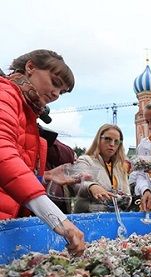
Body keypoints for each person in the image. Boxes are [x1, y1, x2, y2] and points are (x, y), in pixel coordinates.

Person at [0, 49, 85, 256]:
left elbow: (10, 176)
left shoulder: (27, 110)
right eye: (55, 83)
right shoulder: (5, 94)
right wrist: (58, 219)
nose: (56, 94)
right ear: (30, 67)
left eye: (61, 92)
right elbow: (3, 153)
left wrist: (43, 176)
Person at [73, 124, 131, 213]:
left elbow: (127, 194)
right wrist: (92, 186)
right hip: (88, 218)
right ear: (98, 140)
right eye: (107, 139)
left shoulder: (120, 167)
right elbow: (76, 183)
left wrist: (124, 199)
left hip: (114, 218)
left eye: (116, 141)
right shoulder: (85, 160)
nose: (112, 144)